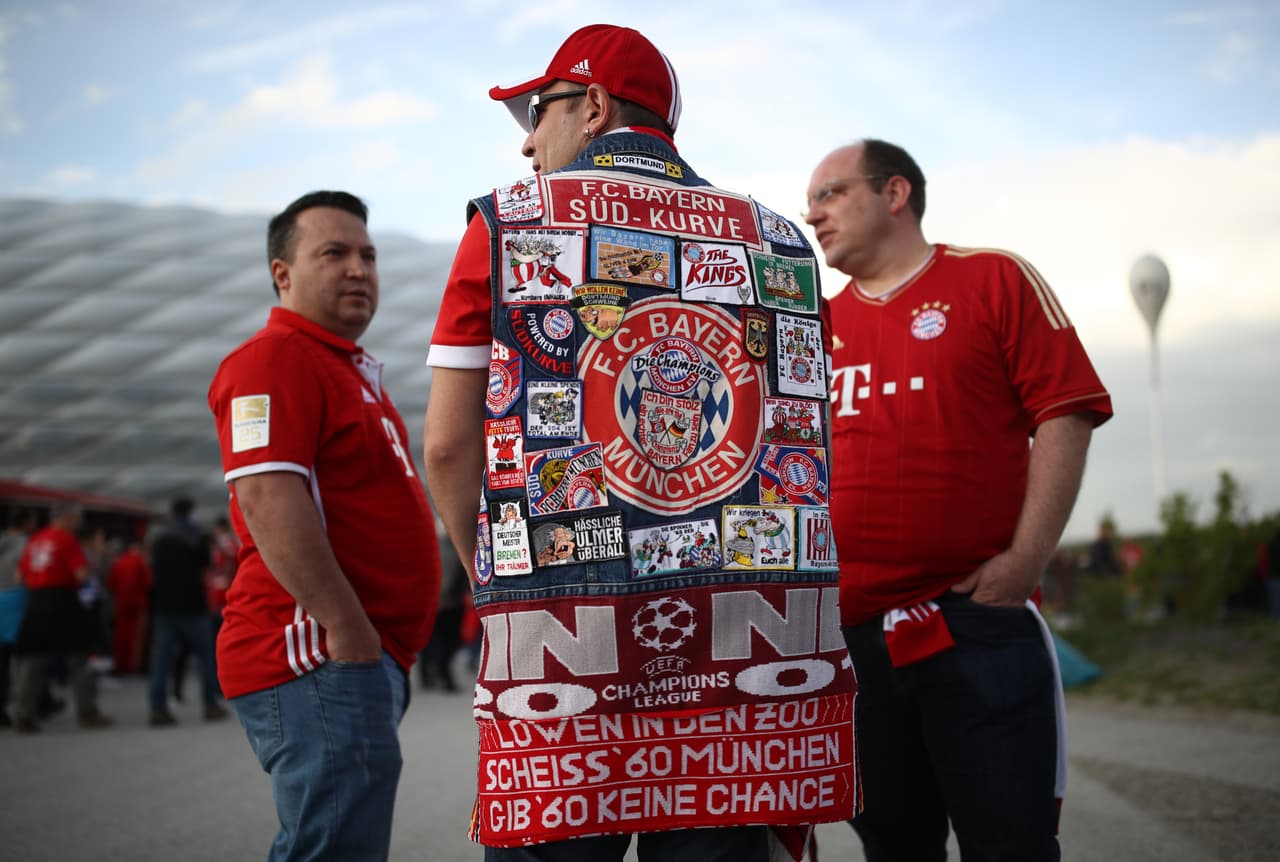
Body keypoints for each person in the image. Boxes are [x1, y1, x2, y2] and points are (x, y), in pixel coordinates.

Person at [423, 25, 857, 860]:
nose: (525, 140)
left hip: (563, 646)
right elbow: (806, 432)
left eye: (536, 109)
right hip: (745, 656)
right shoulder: (780, 242)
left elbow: (446, 445)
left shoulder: (508, 223)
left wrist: (491, 575)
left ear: (591, 106)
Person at [806, 139, 1114, 861]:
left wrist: (1024, 559)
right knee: (894, 846)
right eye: (809, 204)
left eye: (830, 193)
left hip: (973, 621)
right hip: (852, 642)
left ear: (895, 192)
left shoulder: (993, 279)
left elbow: (1065, 414)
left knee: (1011, 842)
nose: (813, 216)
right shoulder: (813, 326)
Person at [208, 190, 442, 861]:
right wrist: (346, 628)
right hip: (315, 652)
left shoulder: (343, 369)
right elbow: (266, 497)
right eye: (333, 253)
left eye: (367, 255)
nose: (358, 269)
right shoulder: (273, 360)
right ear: (283, 274)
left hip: (353, 657)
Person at [8, 502, 112, 732]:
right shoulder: (66, 540)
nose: (80, 523)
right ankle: (87, 711)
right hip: (63, 601)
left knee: (32, 661)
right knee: (79, 658)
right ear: (68, 517)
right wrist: (96, 560)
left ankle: (22, 715)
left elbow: (19, 577)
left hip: (36, 603)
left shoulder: (35, 539)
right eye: (78, 517)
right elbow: (81, 574)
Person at [146, 497, 225, 726]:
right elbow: (206, 563)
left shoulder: (159, 538)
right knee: (205, 657)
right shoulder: (194, 536)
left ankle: (157, 708)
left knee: (161, 659)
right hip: (192, 605)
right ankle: (210, 704)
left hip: (164, 606)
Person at [104, 534, 151, 675]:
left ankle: (120, 664)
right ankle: (132, 667)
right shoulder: (140, 562)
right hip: (138, 605)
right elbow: (148, 583)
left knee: (120, 636)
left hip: (120, 604)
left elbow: (110, 583)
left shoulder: (119, 562)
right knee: (135, 638)